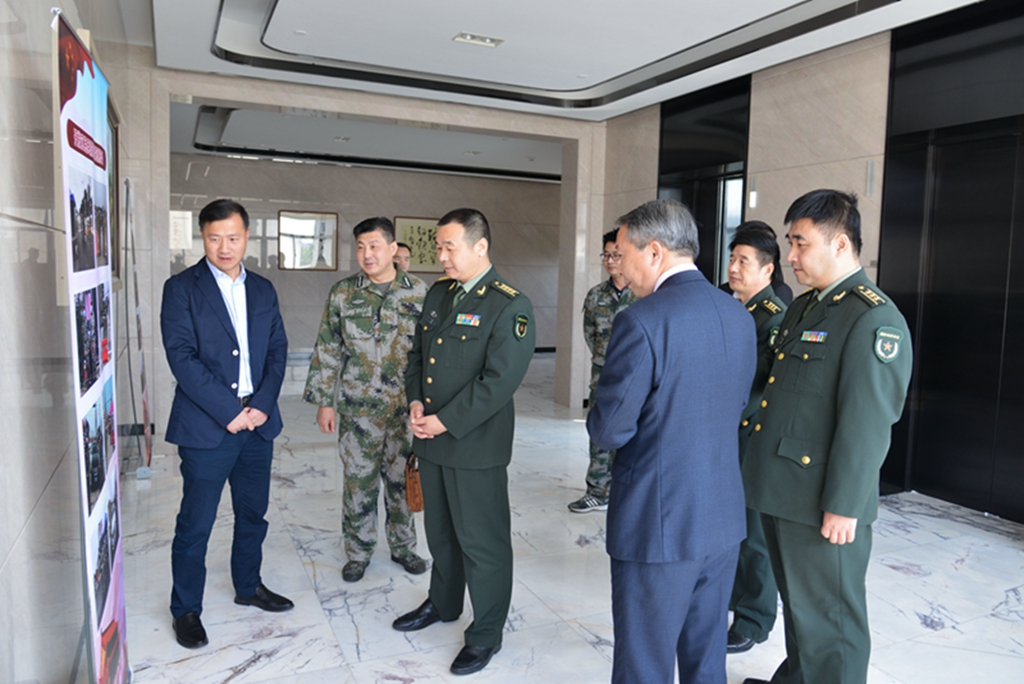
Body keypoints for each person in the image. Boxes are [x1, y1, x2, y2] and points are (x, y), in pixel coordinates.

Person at [741, 190, 912, 684]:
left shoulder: (872, 317)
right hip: (783, 490)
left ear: (840, 244)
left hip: (821, 501)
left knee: (832, 623)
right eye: (790, 242)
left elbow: (868, 422)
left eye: (801, 243)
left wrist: (845, 504)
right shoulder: (805, 307)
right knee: (801, 611)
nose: (791, 256)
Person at [587, 199, 756, 684]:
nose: (619, 267)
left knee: (645, 663)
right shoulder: (738, 315)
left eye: (622, 255)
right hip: (722, 517)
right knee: (706, 660)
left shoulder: (642, 320)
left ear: (655, 252)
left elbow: (609, 429)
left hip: (657, 523)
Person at [391, 208, 535, 676]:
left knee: (481, 542)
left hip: (475, 445)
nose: (442, 256)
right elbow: (417, 356)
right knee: (441, 534)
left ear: (480, 246)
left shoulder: (509, 305)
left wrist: (445, 421)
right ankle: (444, 603)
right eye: (439, 247)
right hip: (431, 441)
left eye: (449, 247)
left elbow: (499, 382)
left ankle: (486, 632)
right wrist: (416, 401)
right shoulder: (439, 293)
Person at [160, 199, 292, 650]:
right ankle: (186, 609)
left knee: (253, 514)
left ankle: (248, 585)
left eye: (233, 238)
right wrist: (229, 411)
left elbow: (277, 350)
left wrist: (262, 404)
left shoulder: (263, 289)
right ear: (203, 237)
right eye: (214, 238)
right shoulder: (181, 289)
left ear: (246, 237)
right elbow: (182, 358)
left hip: (258, 423)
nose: (224, 247)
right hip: (207, 427)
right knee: (196, 522)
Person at [304, 217, 429, 582]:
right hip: (358, 411)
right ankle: (358, 553)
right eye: (360, 247)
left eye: (374, 246)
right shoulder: (343, 293)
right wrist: (324, 401)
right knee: (359, 484)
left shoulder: (419, 292)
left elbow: (430, 352)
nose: (366, 254)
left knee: (403, 483)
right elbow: (328, 348)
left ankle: (404, 547)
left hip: (406, 410)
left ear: (392, 249)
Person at [723, 222, 788, 654]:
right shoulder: (735, 309)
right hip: (728, 436)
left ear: (767, 269)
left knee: (754, 535)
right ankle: (731, 603)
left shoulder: (773, 318)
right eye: (732, 258)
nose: (734, 268)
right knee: (732, 529)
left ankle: (754, 619)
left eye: (744, 261)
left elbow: (759, 384)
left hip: (752, 437)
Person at [568, 229, 637, 513]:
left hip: (636, 375)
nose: (610, 261)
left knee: (635, 432)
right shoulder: (596, 295)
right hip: (604, 374)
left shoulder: (644, 293)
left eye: (616, 255)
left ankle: (628, 492)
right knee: (600, 429)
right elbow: (590, 334)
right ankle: (597, 491)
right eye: (606, 255)